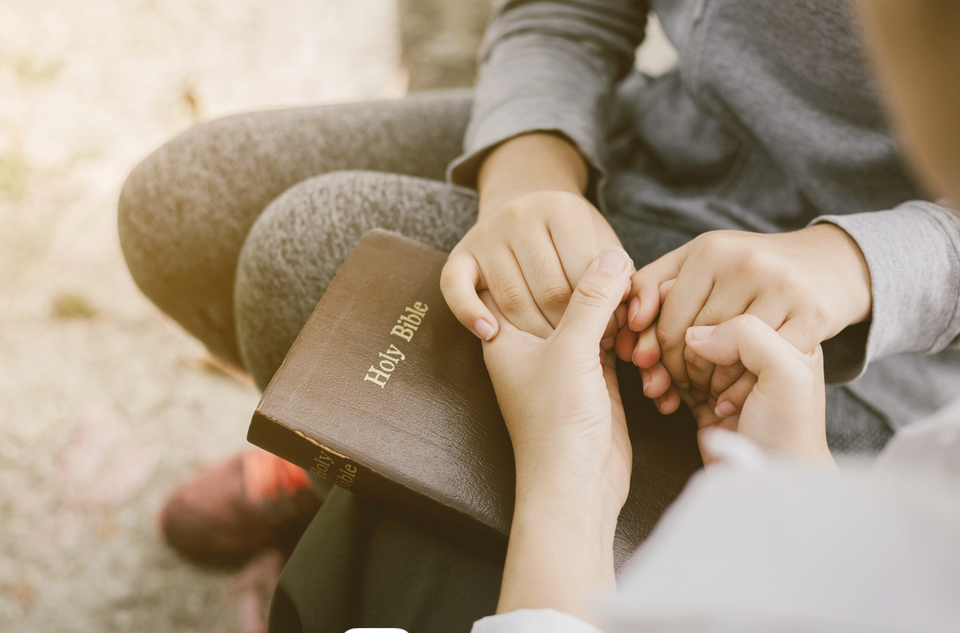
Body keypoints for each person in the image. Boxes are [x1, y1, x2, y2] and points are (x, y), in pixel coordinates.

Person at [116, 0, 960, 628]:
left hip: (876, 356)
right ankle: (362, 449)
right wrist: (526, 172)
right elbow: (563, 12)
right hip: (664, 140)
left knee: (300, 262)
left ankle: (374, 462)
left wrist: (864, 263)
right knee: (183, 210)